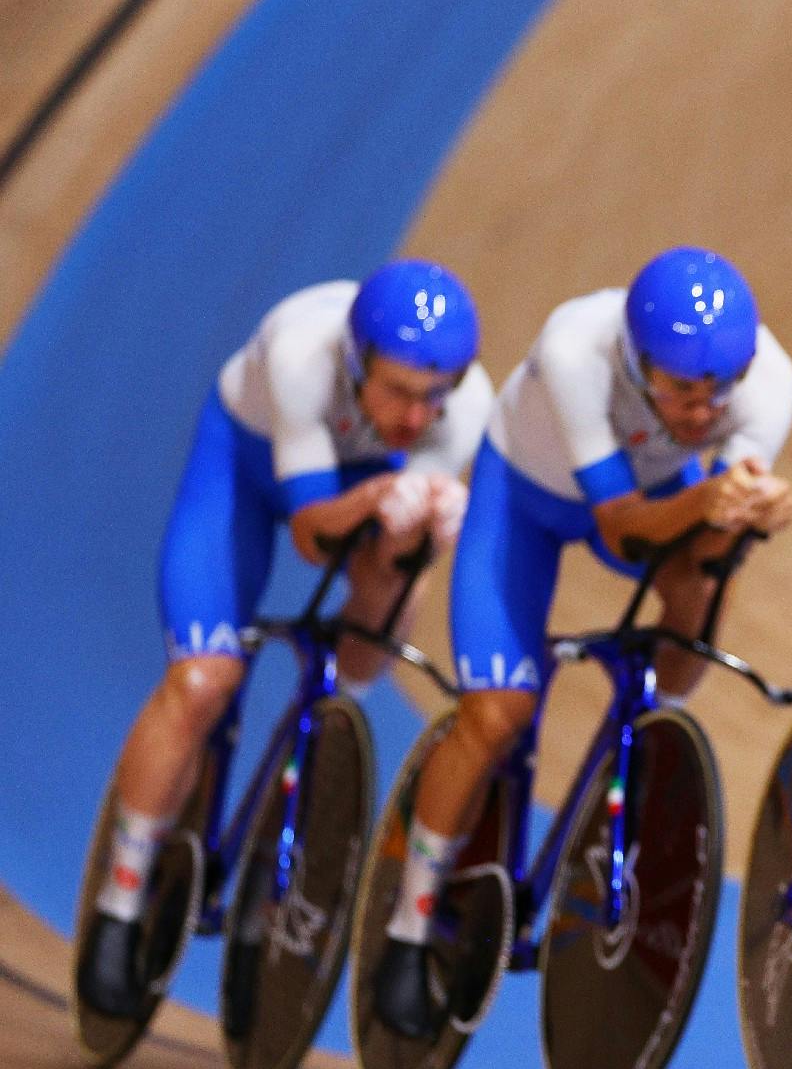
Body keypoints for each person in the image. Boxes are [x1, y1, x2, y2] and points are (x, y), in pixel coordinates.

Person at [371, 247, 792, 1038]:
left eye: (717, 395)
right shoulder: (576, 349)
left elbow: (703, 531)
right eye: (679, 391)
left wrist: (748, 513)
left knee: (705, 580)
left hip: (651, 497)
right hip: (526, 498)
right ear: (636, 363)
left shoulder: (768, 382)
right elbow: (624, 527)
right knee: (497, 713)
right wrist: (711, 496)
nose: (701, 414)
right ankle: (409, 922)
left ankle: (647, 723)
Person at [78, 260, 491, 1017]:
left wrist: (422, 530)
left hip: (358, 480)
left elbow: (393, 550)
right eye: (397, 390)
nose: (413, 414)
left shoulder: (462, 412)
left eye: (432, 395)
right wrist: (371, 496)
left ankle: (334, 715)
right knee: (204, 680)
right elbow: (310, 534)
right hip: (243, 470)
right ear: (357, 360)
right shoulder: (303, 351)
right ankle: (119, 902)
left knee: (401, 572)